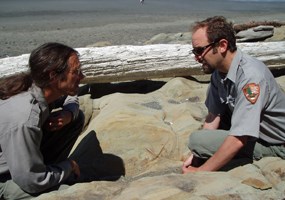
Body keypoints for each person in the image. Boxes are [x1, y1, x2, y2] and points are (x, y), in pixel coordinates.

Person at [182, 16, 285, 173]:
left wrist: (200, 172)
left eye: (199, 50)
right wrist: (198, 155)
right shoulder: (219, 73)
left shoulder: (251, 77)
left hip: (276, 144)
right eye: (194, 51)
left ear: (222, 45)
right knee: (200, 141)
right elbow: (213, 116)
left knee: (197, 140)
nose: (196, 57)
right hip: (255, 131)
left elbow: (239, 139)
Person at [0, 42, 85, 199]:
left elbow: (71, 97)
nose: (82, 77)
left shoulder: (38, 87)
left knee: (77, 118)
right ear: (53, 76)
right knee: (65, 193)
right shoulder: (25, 117)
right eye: (76, 72)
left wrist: (68, 114)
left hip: (21, 161)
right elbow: (31, 181)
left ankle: (46, 170)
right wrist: (68, 166)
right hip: (6, 176)